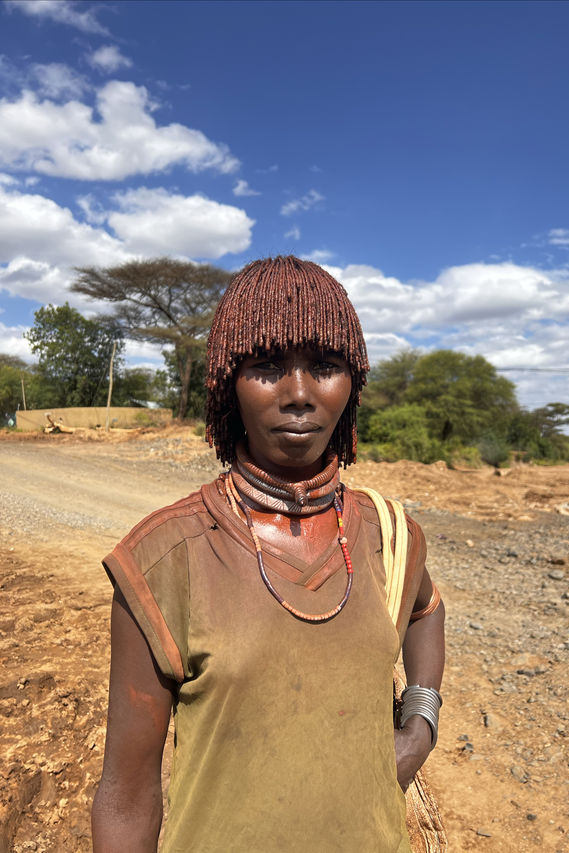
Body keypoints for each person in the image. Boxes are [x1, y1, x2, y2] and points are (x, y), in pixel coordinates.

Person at [92, 255, 445, 852]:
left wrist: (420, 722)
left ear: (352, 383)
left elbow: (426, 609)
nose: (300, 395)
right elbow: (126, 797)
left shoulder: (390, 534)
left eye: (327, 367)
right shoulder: (165, 557)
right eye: (266, 367)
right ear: (227, 383)